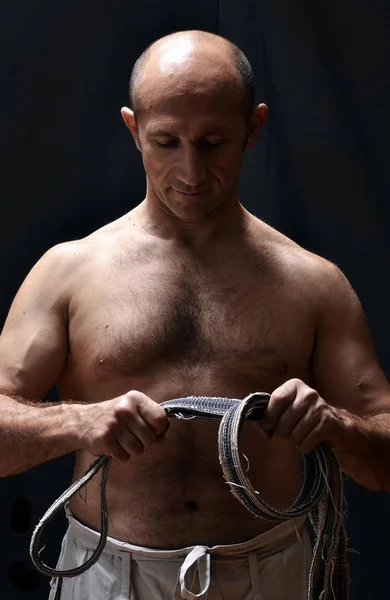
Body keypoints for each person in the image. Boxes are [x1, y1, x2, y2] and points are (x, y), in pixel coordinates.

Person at [0, 29, 389, 600]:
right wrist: (78, 422)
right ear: (133, 130)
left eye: (213, 142)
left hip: (270, 577)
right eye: (165, 142)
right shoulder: (68, 272)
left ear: (253, 129)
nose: (189, 170)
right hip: (109, 578)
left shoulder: (313, 284)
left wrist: (333, 424)